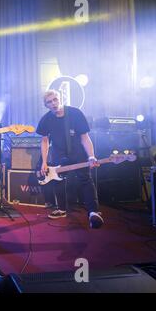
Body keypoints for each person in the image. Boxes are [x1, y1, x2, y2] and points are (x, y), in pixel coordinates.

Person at [36, 90, 104, 228]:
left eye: (55, 99)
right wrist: (44, 161)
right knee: (57, 180)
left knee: (85, 179)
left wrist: (91, 156)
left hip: (78, 153)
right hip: (58, 154)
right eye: (49, 102)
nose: (53, 103)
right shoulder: (46, 119)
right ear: (46, 105)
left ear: (61, 99)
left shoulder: (75, 113)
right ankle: (61, 209)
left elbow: (85, 137)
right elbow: (44, 141)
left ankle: (93, 212)